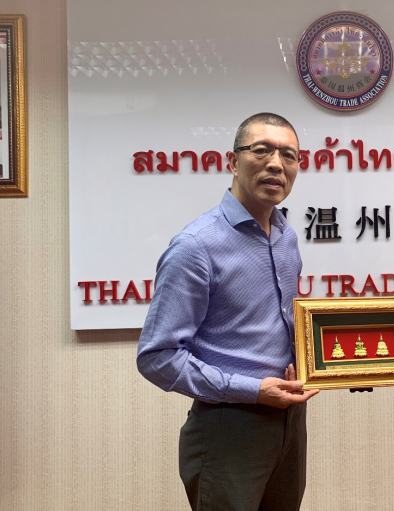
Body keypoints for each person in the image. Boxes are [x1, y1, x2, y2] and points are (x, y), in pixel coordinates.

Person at [137, 112, 318, 511]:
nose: (277, 164)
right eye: (262, 150)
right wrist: (252, 390)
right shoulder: (195, 246)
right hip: (228, 427)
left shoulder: (286, 237)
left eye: (289, 155)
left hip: (289, 422)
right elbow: (157, 357)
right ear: (233, 162)